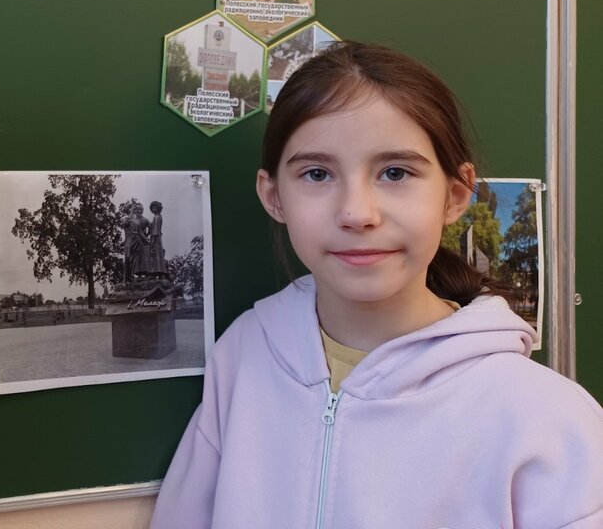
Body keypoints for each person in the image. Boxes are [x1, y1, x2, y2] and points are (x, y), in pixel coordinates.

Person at [151, 41, 603, 528]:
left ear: (455, 195)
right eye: (317, 174)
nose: (357, 213)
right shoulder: (244, 355)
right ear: (274, 195)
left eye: (395, 172)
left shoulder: (545, 416)